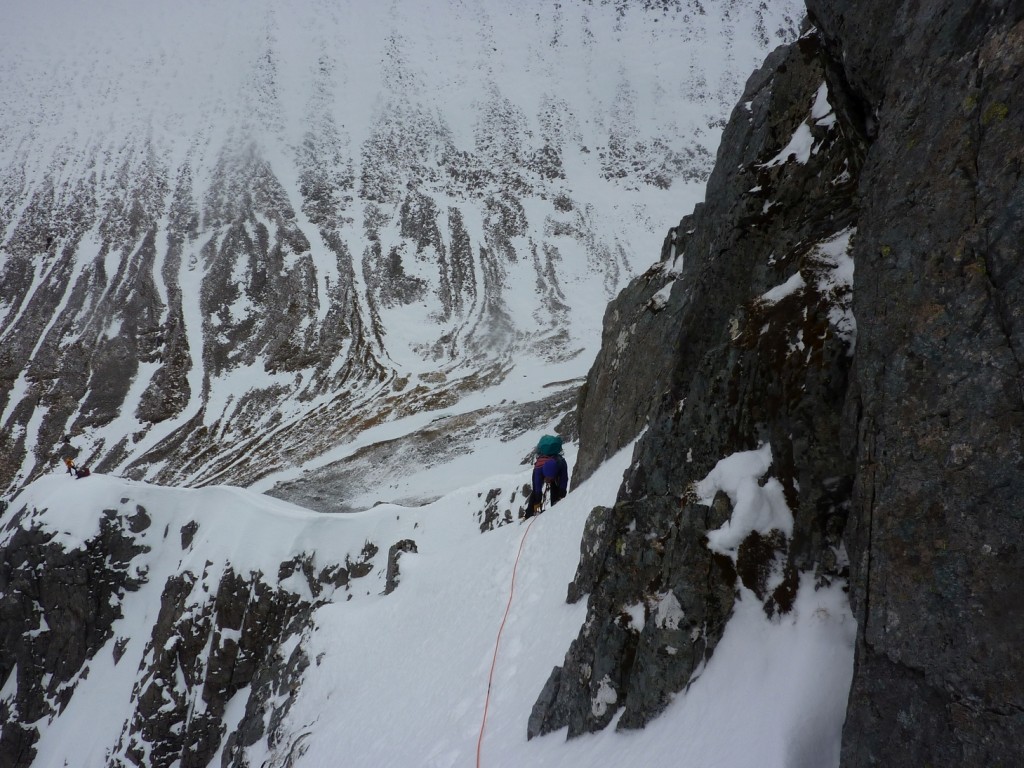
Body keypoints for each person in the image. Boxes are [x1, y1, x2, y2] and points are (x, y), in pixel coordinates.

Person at [525, 434, 569, 518]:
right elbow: (537, 488)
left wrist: (562, 493)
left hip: (555, 471)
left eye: (550, 478)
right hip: (542, 470)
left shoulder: (562, 464)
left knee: (556, 487)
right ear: (543, 474)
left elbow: (564, 479)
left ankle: (556, 508)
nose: (548, 481)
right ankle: (529, 514)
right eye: (547, 478)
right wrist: (537, 501)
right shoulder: (538, 469)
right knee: (535, 493)